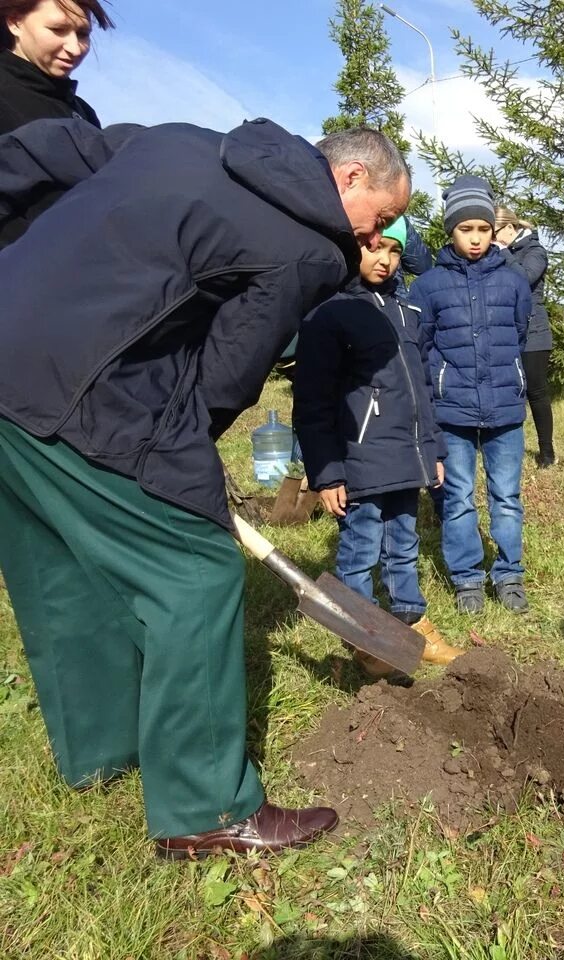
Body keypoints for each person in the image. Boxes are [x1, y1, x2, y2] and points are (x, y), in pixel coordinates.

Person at [0, 118, 410, 857]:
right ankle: (208, 807)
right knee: (197, 569)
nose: (374, 239)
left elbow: (45, 148)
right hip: (80, 390)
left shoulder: (181, 138)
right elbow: (224, 379)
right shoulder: (309, 248)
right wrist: (182, 469)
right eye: (380, 219)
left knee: (59, 555)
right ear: (349, 179)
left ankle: (103, 749)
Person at [293, 215, 462, 678]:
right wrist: (327, 472)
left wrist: (434, 451)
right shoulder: (328, 314)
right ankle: (362, 638)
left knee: (404, 544)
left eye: (393, 250)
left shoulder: (408, 313)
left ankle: (413, 622)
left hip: (406, 457)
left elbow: (421, 391)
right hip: (360, 458)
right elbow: (313, 400)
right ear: (352, 250)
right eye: (373, 249)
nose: (384, 260)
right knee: (360, 549)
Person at [408, 175, 533, 615]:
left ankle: (510, 573)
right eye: (466, 229)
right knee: (457, 496)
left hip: (504, 410)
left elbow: (517, 335)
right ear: (451, 231)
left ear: (493, 229)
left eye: (483, 228)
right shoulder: (426, 287)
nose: (476, 238)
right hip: (453, 411)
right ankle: (466, 579)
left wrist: (509, 378)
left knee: (507, 496)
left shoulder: (514, 283)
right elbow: (420, 350)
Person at [1, 0, 112, 246]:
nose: (74, 47)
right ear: (15, 22)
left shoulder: (84, 113)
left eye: (82, 34)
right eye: (58, 30)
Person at [495, 205, 555, 467]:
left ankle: (547, 452)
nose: (490, 239)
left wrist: (503, 252)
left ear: (509, 228)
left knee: (537, 393)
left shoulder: (535, 251)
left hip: (534, 333)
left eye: (494, 232)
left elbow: (525, 279)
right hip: (506, 331)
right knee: (510, 393)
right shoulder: (500, 251)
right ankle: (508, 450)